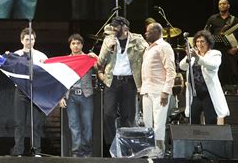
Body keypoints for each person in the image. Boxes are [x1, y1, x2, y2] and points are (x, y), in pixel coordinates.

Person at [96, 16, 148, 149]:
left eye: (116, 26)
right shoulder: (108, 40)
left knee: (128, 116)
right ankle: (112, 144)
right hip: (112, 81)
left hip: (129, 82)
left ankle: (126, 146)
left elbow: (147, 53)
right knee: (108, 114)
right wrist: (108, 47)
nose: (113, 28)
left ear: (125, 27)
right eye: (112, 26)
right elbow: (100, 62)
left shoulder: (137, 39)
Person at [179, 30, 230, 125]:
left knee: (211, 121)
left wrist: (198, 57)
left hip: (208, 94)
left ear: (208, 43)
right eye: (197, 41)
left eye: (202, 41)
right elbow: (182, 66)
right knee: (193, 120)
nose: (199, 44)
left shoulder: (215, 53)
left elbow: (212, 65)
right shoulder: (193, 55)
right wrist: (188, 57)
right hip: (195, 94)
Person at [140, 22, 176, 154]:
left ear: (156, 32)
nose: (145, 33)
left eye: (148, 31)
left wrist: (166, 91)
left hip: (159, 91)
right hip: (147, 90)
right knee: (147, 123)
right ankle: (150, 150)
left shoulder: (164, 46)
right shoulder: (149, 48)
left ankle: (159, 152)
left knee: (159, 124)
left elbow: (171, 71)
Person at [12, 27, 48, 156]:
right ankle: (18, 151)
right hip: (21, 90)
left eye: (32, 39)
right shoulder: (15, 55)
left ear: (35, 40)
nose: (29, 42)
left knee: (36, 124)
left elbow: (48, 74)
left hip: (36, 92)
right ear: (22, 40)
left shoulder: (41, 56)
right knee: (19, 123)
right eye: (27, 39)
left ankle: (36, 151)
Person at [59, 34, 96, 157]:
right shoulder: (66, 61)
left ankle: (87, 153)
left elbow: (100, 67)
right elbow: (61, 79)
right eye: (73, 43)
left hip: (86, 95)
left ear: (82, 45)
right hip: (71, 96)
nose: (76, 46)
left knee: (87, 125)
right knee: (74, 126)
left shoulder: (88, 58)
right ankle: (76, 153)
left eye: (78, 43)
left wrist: (95, 57)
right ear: (70, 45)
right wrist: (61, 97)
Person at [204, 0, 238, 87]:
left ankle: (234, 90)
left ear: (228, 5)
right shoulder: (212, 19)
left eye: (224, 4)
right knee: (217, 72)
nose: (222, 5)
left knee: (233, 72)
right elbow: (205, 33)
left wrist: (236, 48)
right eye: (220, 4)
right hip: (216, 50)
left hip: (230, 50)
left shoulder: (234, 20)